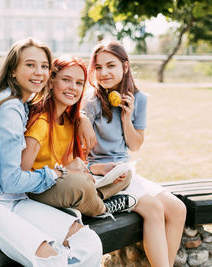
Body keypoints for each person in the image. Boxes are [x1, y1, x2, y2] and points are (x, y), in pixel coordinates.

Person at [0, 38, 102, 267]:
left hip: (14, 200)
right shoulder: (8, 107)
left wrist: (81, 117)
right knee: (53, 260)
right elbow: (11, 180)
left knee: (88, 243)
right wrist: (57, 173)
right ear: (13, 70)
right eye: (30, 65)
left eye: (44, 66)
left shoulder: (20, 103)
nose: (39, 72)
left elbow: (59, 108)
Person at [83, 40, 186, 267]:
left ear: (125, 67)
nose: (104, 73)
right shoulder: (90, 103)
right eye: (98, 67)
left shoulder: (138, 99)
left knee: (178, 209)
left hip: (126, 171)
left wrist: (126, 118)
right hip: (103, 177)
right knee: (154, 209)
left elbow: (136, 144)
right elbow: (81, 153)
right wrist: (97, 169)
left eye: (111, 65)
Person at [21, 55, 134, 218]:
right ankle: (102, 208)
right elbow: (22, 177)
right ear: (51, 81)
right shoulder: (40, 123)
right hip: (37, 189)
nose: (73, 87)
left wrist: (99, 169)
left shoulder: (68, 120)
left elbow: (68, 166)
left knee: (123, 173)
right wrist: (67, 171)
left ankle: (92, 201)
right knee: (81, 185)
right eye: (66, 80)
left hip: (62, 181)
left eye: (79, 83)